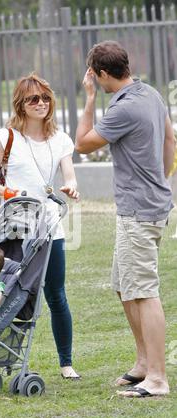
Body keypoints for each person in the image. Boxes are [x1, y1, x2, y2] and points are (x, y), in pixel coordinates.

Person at [75, 40, 176, 397]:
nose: (96, 82)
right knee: (124, 284)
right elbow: (169, 139)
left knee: (144, 291)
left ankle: (158, 379)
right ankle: (144, 363)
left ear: (102, 74)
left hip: (138, 211)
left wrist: (88, 99)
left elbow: (83, 143)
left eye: (96, 78)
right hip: (148, 205)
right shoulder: (150, 94)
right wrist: (162, 181)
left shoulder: (123, 109)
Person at [0, 72, 81, 380]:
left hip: (49, 227)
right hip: (13, 228)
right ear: (21, 104)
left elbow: (69, 174)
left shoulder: (60, 140)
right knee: (6, 291)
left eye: (46, 98)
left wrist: (71, 186)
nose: (41, 104)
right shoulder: (7, 136)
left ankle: (66, 362)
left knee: (56, 294)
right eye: (33, 99)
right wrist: (10, 192)